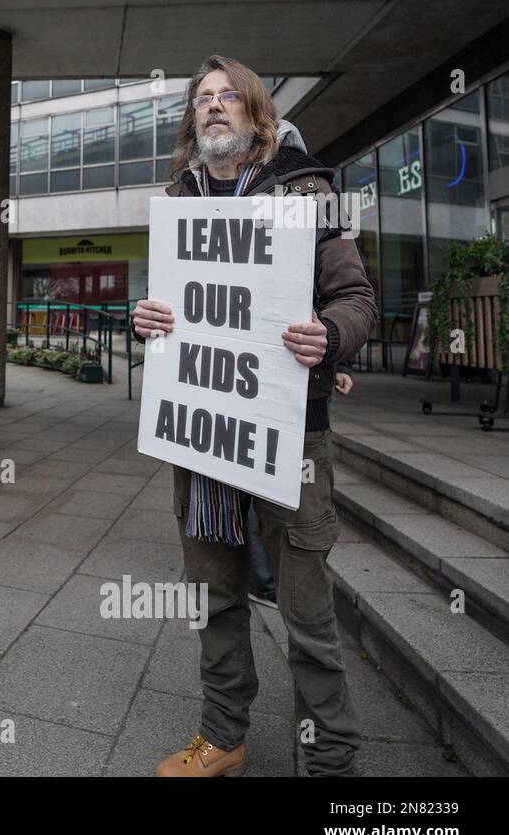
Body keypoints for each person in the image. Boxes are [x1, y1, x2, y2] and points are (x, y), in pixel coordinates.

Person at [133, 55, 377, 777]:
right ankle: (224, 738)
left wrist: (328, 337)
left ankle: (331, 762)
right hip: (203, 432)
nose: (213, 107)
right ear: (193, 120)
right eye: (202, 99)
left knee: (306, 610)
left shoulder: (304, 192)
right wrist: (142, 319)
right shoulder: (179, 200)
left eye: (227, 98)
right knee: (213, 595)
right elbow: (166, 310)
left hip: (289, 434)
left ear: (255, 113)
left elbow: (356, 299)